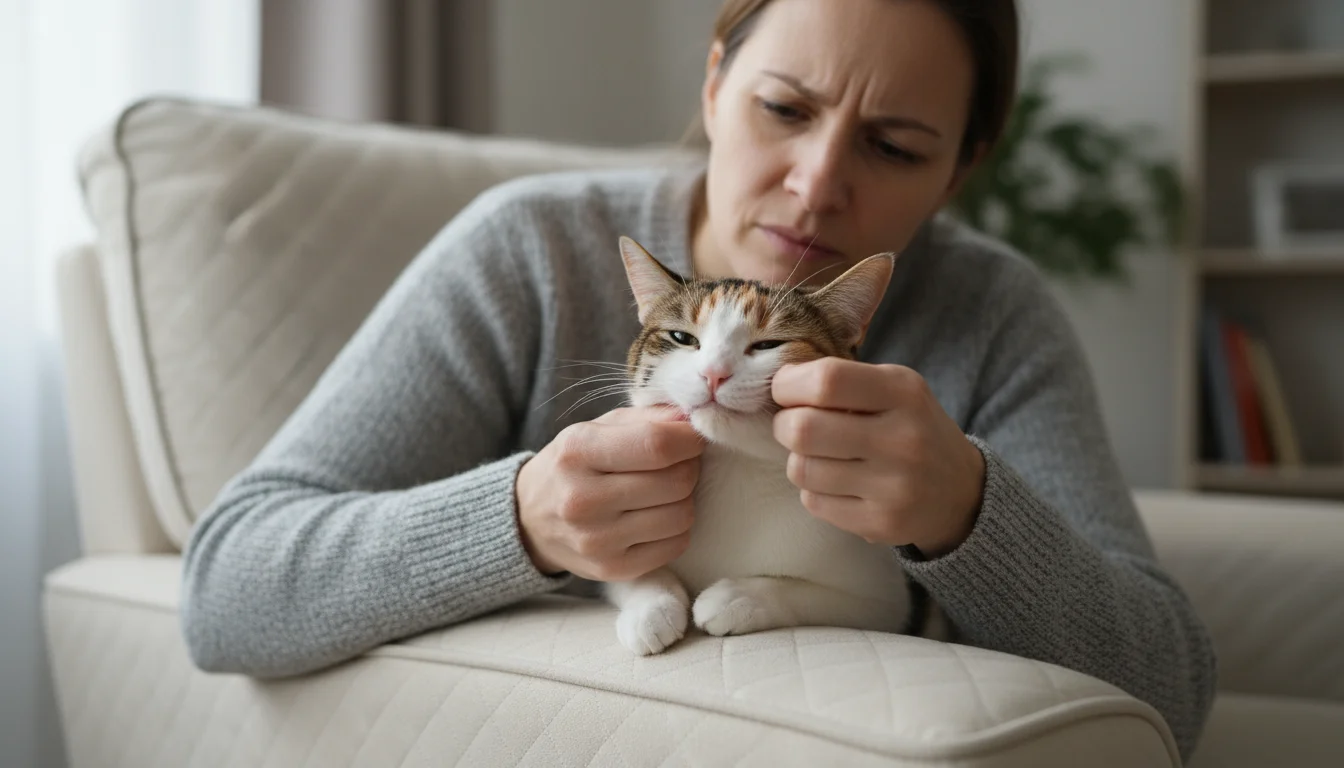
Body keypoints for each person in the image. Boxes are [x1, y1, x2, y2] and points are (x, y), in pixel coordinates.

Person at [180, 0, 1216, 760]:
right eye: (782, 108)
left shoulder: (993, 315)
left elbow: (1169, 686)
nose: (817, 187)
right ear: (716, 84)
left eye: (895, 146)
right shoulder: (529, 254)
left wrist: (969, 514)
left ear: (962, 167)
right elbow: (228, 590)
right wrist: (520, 520)